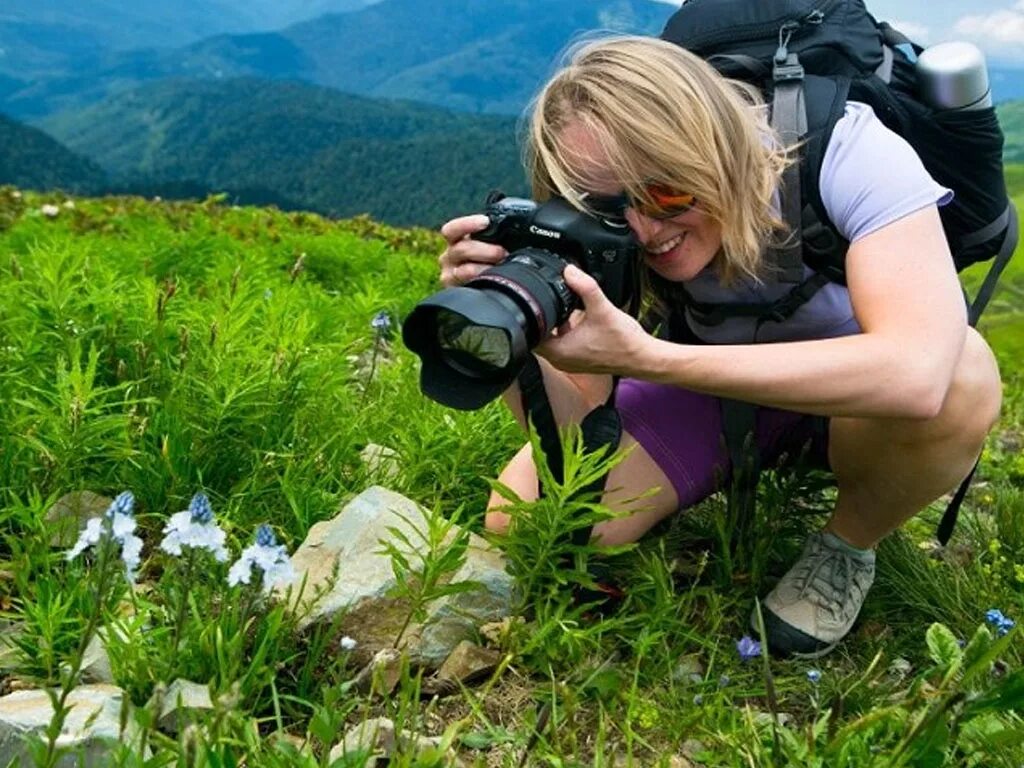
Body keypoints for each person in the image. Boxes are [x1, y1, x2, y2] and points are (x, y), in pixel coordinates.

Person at [436, 35, 1003, 658]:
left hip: (859, 394)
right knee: (529, 521)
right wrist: (522, 327)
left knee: (961, 371)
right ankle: (705, 466)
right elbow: (577, 447)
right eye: (607, 207)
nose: (646, 231)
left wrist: (650, 360)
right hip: (710, 384)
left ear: (717, 149)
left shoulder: (845, 151)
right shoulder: (600, 223)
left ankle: (848, 545)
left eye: (669, 193)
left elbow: (918, 373)